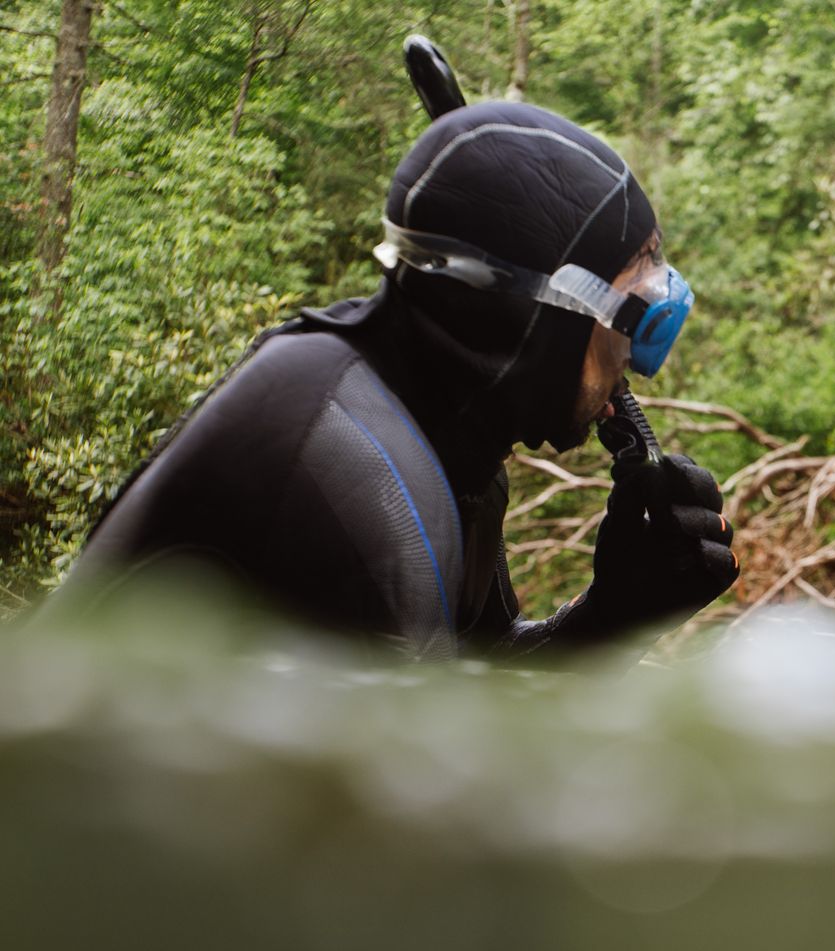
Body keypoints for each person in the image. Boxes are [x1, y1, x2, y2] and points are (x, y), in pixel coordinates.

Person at [59, 101, 736, 660]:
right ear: (531, 317)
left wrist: (607, 619)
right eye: (629, 323)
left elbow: (475, 675)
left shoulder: (448, 445)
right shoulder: (350, 465)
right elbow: (441, 766)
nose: (637, 363)